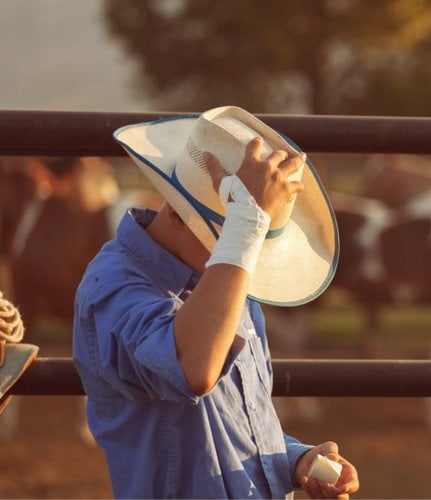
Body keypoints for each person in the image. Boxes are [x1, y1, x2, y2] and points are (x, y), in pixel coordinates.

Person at [72, 106, 359, 499]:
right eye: (230, 239)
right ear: (177, 213)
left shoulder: (229, 276)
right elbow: (194, 369)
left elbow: (239, 422)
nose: (248, 262)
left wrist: (295, 460)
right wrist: (244, 229)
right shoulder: (113, 288)